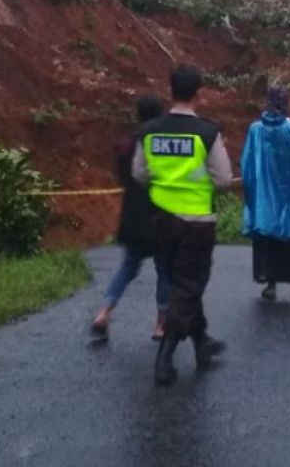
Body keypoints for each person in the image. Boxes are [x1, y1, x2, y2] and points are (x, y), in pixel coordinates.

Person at [132, 64, 233, 386]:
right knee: (189, 286)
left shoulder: (150, 131)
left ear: (170, 91)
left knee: (180, 283)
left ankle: (201, 342)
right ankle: (165, 356)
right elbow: (223, 180)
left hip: (160, 221)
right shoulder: (207, 132)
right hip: (195, 222)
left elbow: (139, 173)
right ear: (199, 94)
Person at [91, 96, 171, 341]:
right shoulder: (160, 144)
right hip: (159, 214)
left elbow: (122, 178)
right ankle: (160, 325)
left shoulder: (126, 144)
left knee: (127, 267)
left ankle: (104, 312)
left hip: (132, 215)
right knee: (165, 270)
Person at [242, 86, 290, 300]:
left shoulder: (255, 130)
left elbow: (247, 164)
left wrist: (252, 194)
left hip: (265, 197)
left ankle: (271, 285)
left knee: (270, 239)